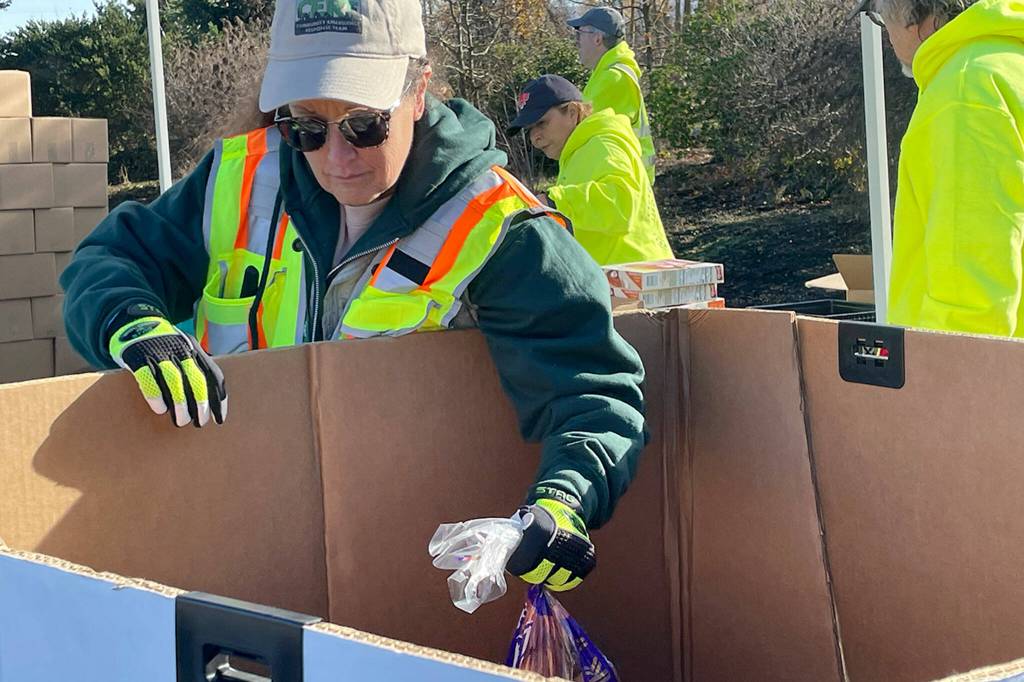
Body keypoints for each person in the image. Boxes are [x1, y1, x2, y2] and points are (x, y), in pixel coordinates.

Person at [61, 0, 649, 593]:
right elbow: (111, 260)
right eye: (306, 128)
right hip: (239, 543)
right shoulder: (238, 179)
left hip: (404, 575)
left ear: (418, 92)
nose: (337, 159)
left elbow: (590, 390)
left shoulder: (500, 229)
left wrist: (562, 500)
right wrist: (134, 324)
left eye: (365, 124)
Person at [851, 0, 1024, 336]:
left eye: (882, 17)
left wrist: (940, 380)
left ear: (921, 17)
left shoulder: (966, 90)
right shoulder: (1008, 64)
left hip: (989, 375)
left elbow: (970, 291)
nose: (886, 33)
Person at [508, 75, 673, 266]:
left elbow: (622, 204)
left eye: (542, 123)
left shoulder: (603, 143)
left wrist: (553, 202)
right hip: (619, 282)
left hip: (641, 280)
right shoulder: (578, 153)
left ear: (572, 112)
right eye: (529, 129)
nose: (534, 137)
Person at [568, 6, 656, 184]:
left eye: (580, 33)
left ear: (597, 39)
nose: (577, 41)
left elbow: (580, 132)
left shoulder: (613, 78)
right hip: (625, 177)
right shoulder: (607, 72)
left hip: (624, 181)